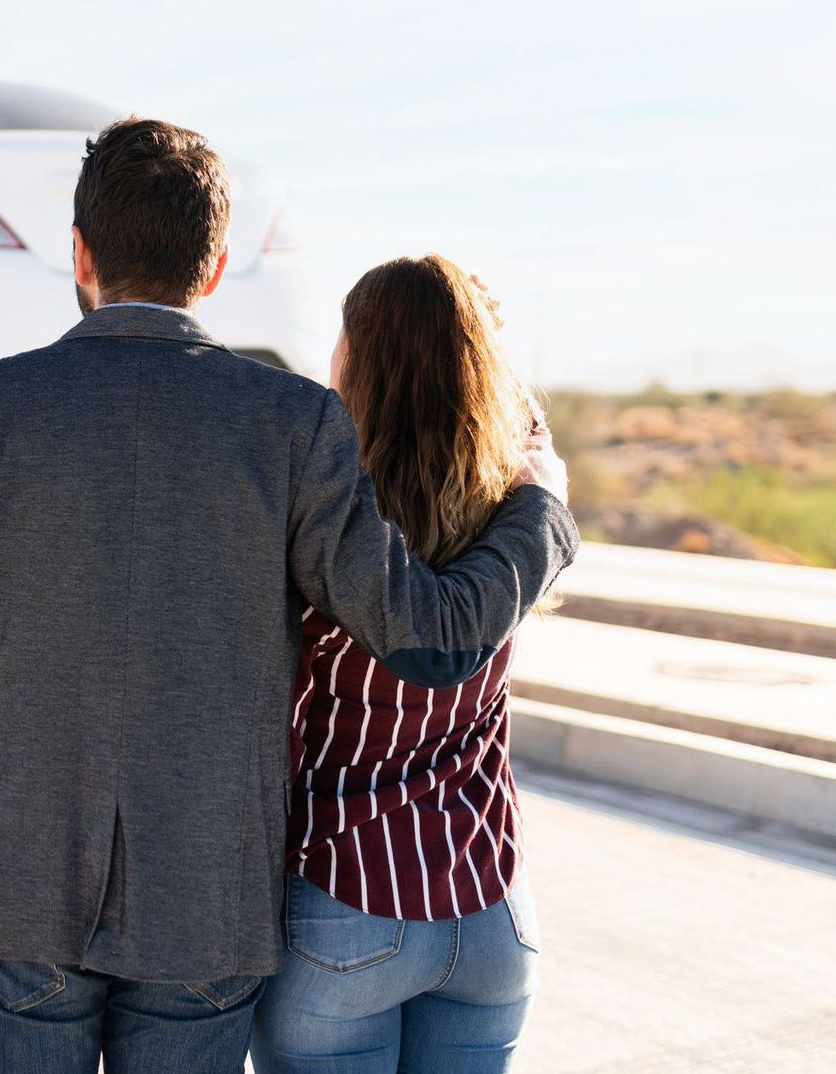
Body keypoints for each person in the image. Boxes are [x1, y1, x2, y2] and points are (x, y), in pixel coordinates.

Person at [0, 117, 577, 1074]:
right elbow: (426, 636)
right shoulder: (295, 421)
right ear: (215, 267)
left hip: (15, 894)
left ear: (79, 255)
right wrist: (540, 512)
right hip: (207, 910)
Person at [251, 255, 555, 1074]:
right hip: (490, 910)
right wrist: (481, 345)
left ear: (358, 358)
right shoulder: (509, 517)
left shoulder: (326, 526)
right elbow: (530, 442)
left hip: (346, 906)